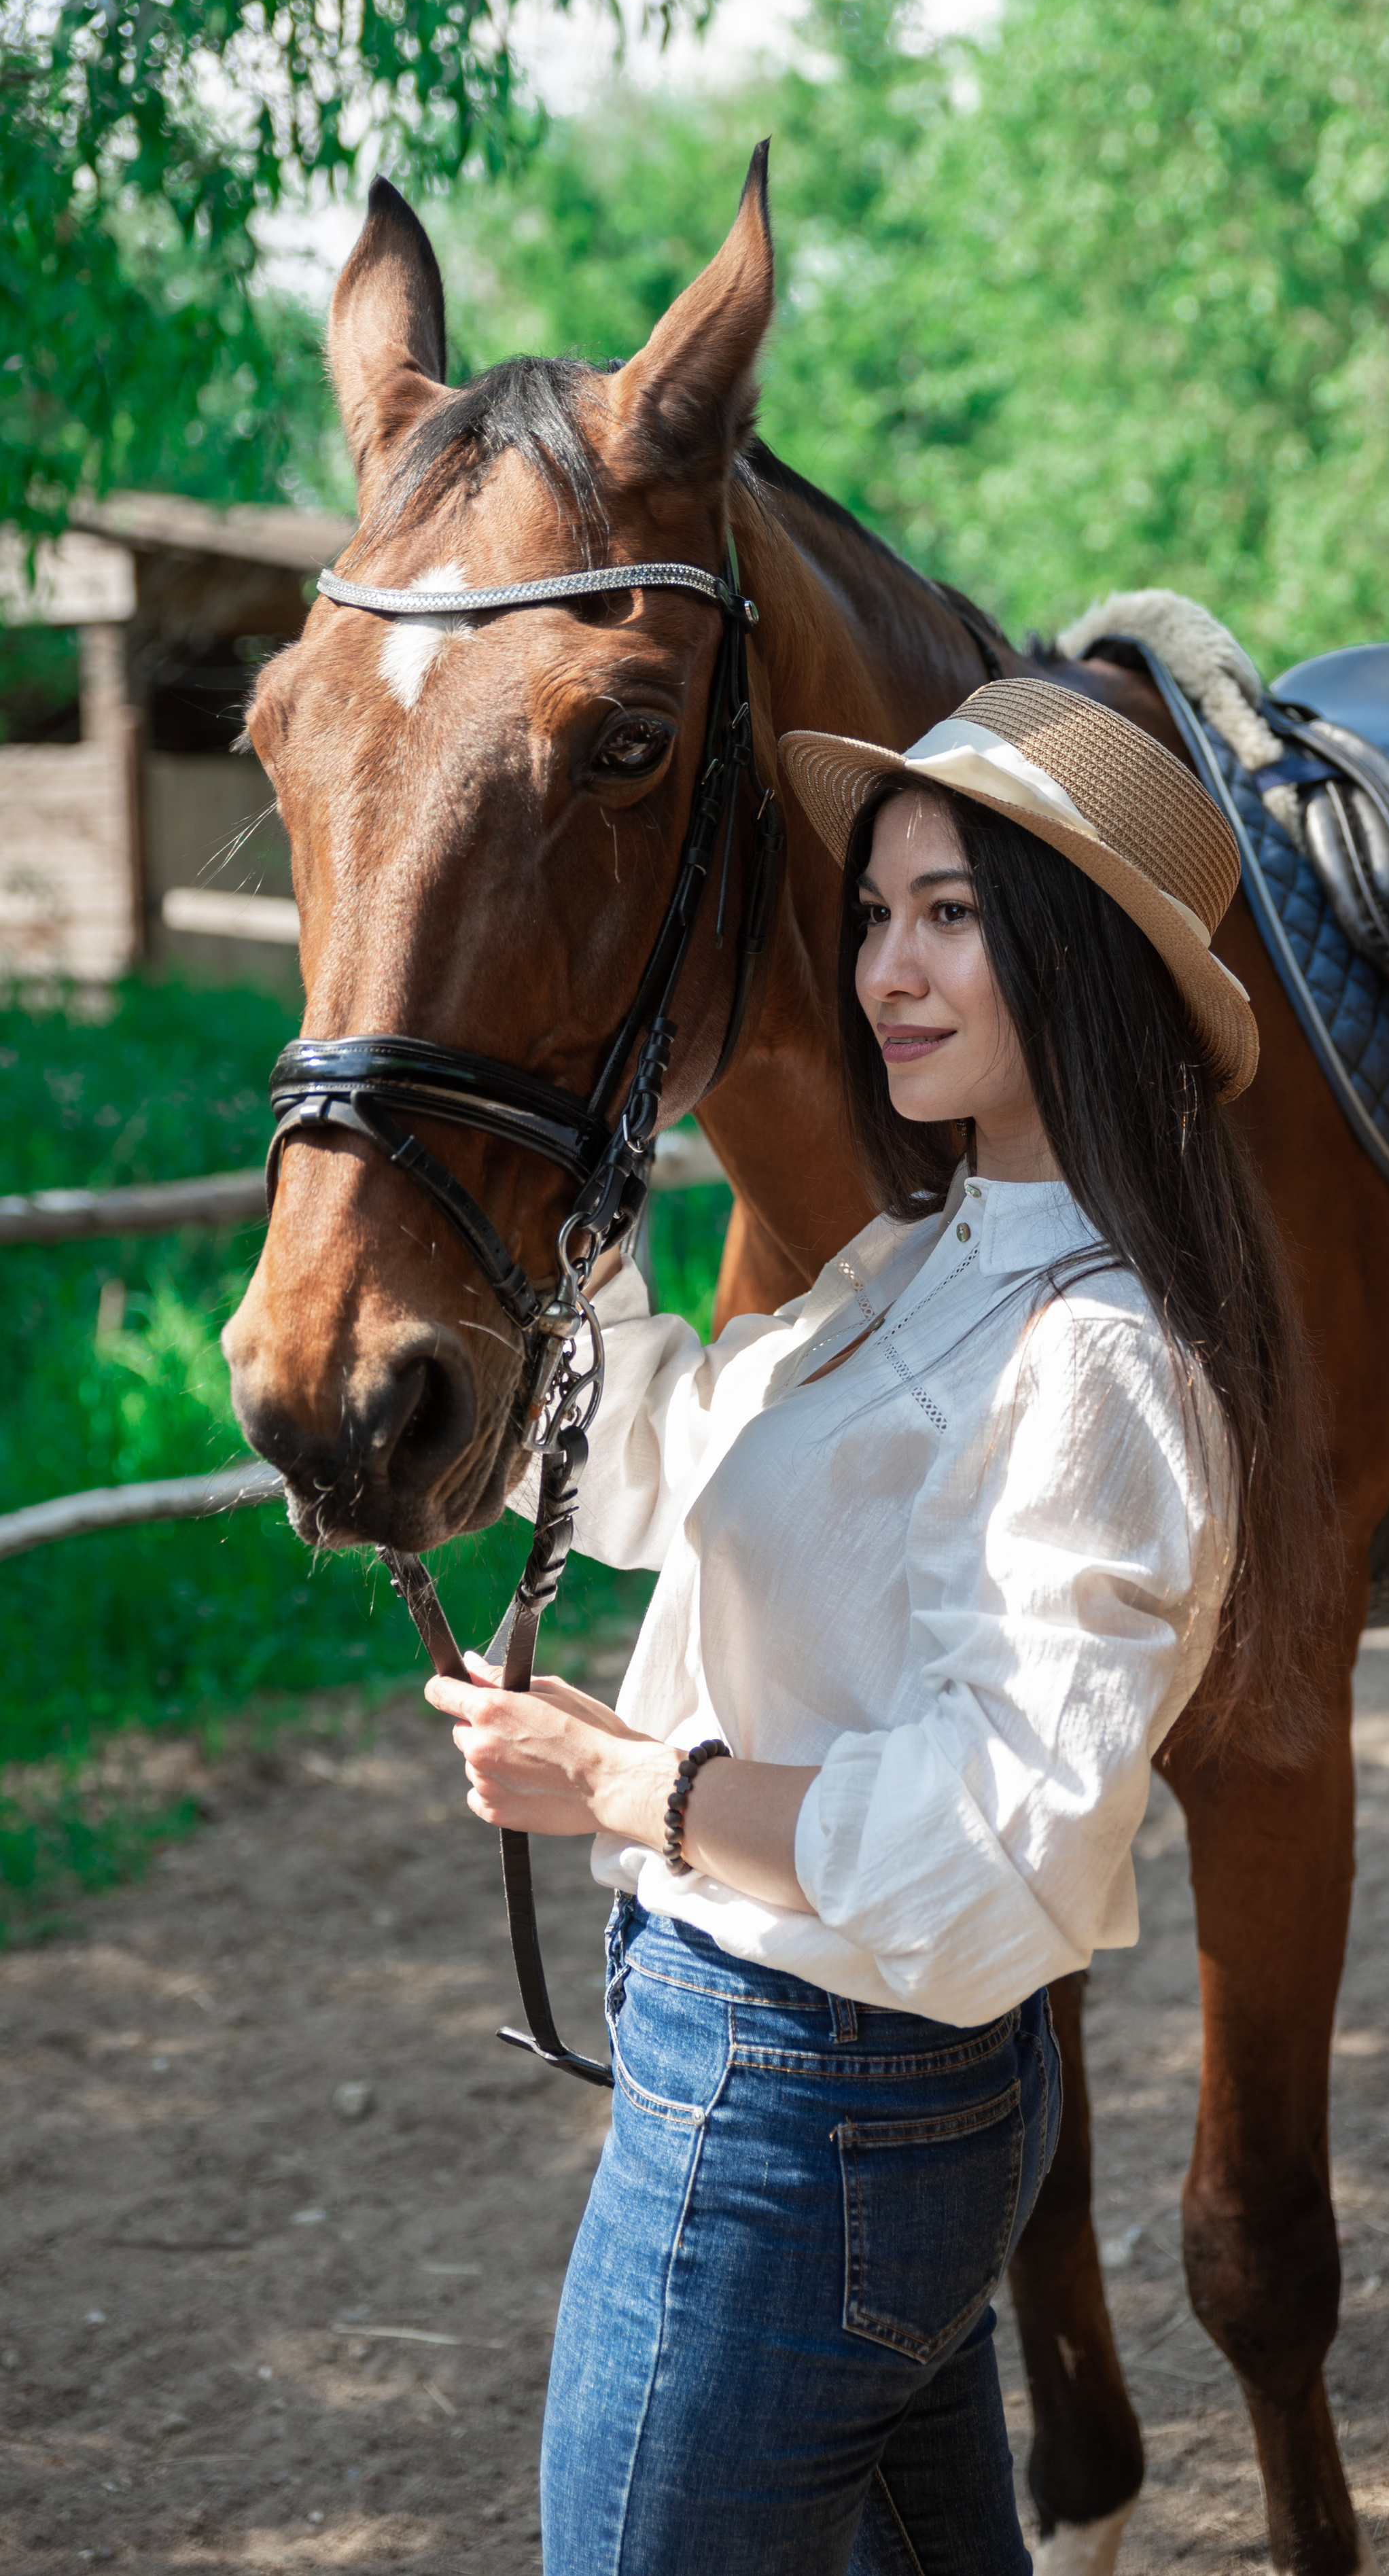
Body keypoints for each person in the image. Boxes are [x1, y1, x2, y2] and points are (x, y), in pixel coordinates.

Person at [425, 680, 1321, 2575]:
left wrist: (632, 1779)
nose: (888, 969)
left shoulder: (1093, 1358)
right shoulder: (916, 1259)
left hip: (806, 2102)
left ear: (1080, 960)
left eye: (954, 916)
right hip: (833, 2101)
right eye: (875, 912)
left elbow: (996, 1861)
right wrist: (566, 1219)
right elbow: (670, 1465)